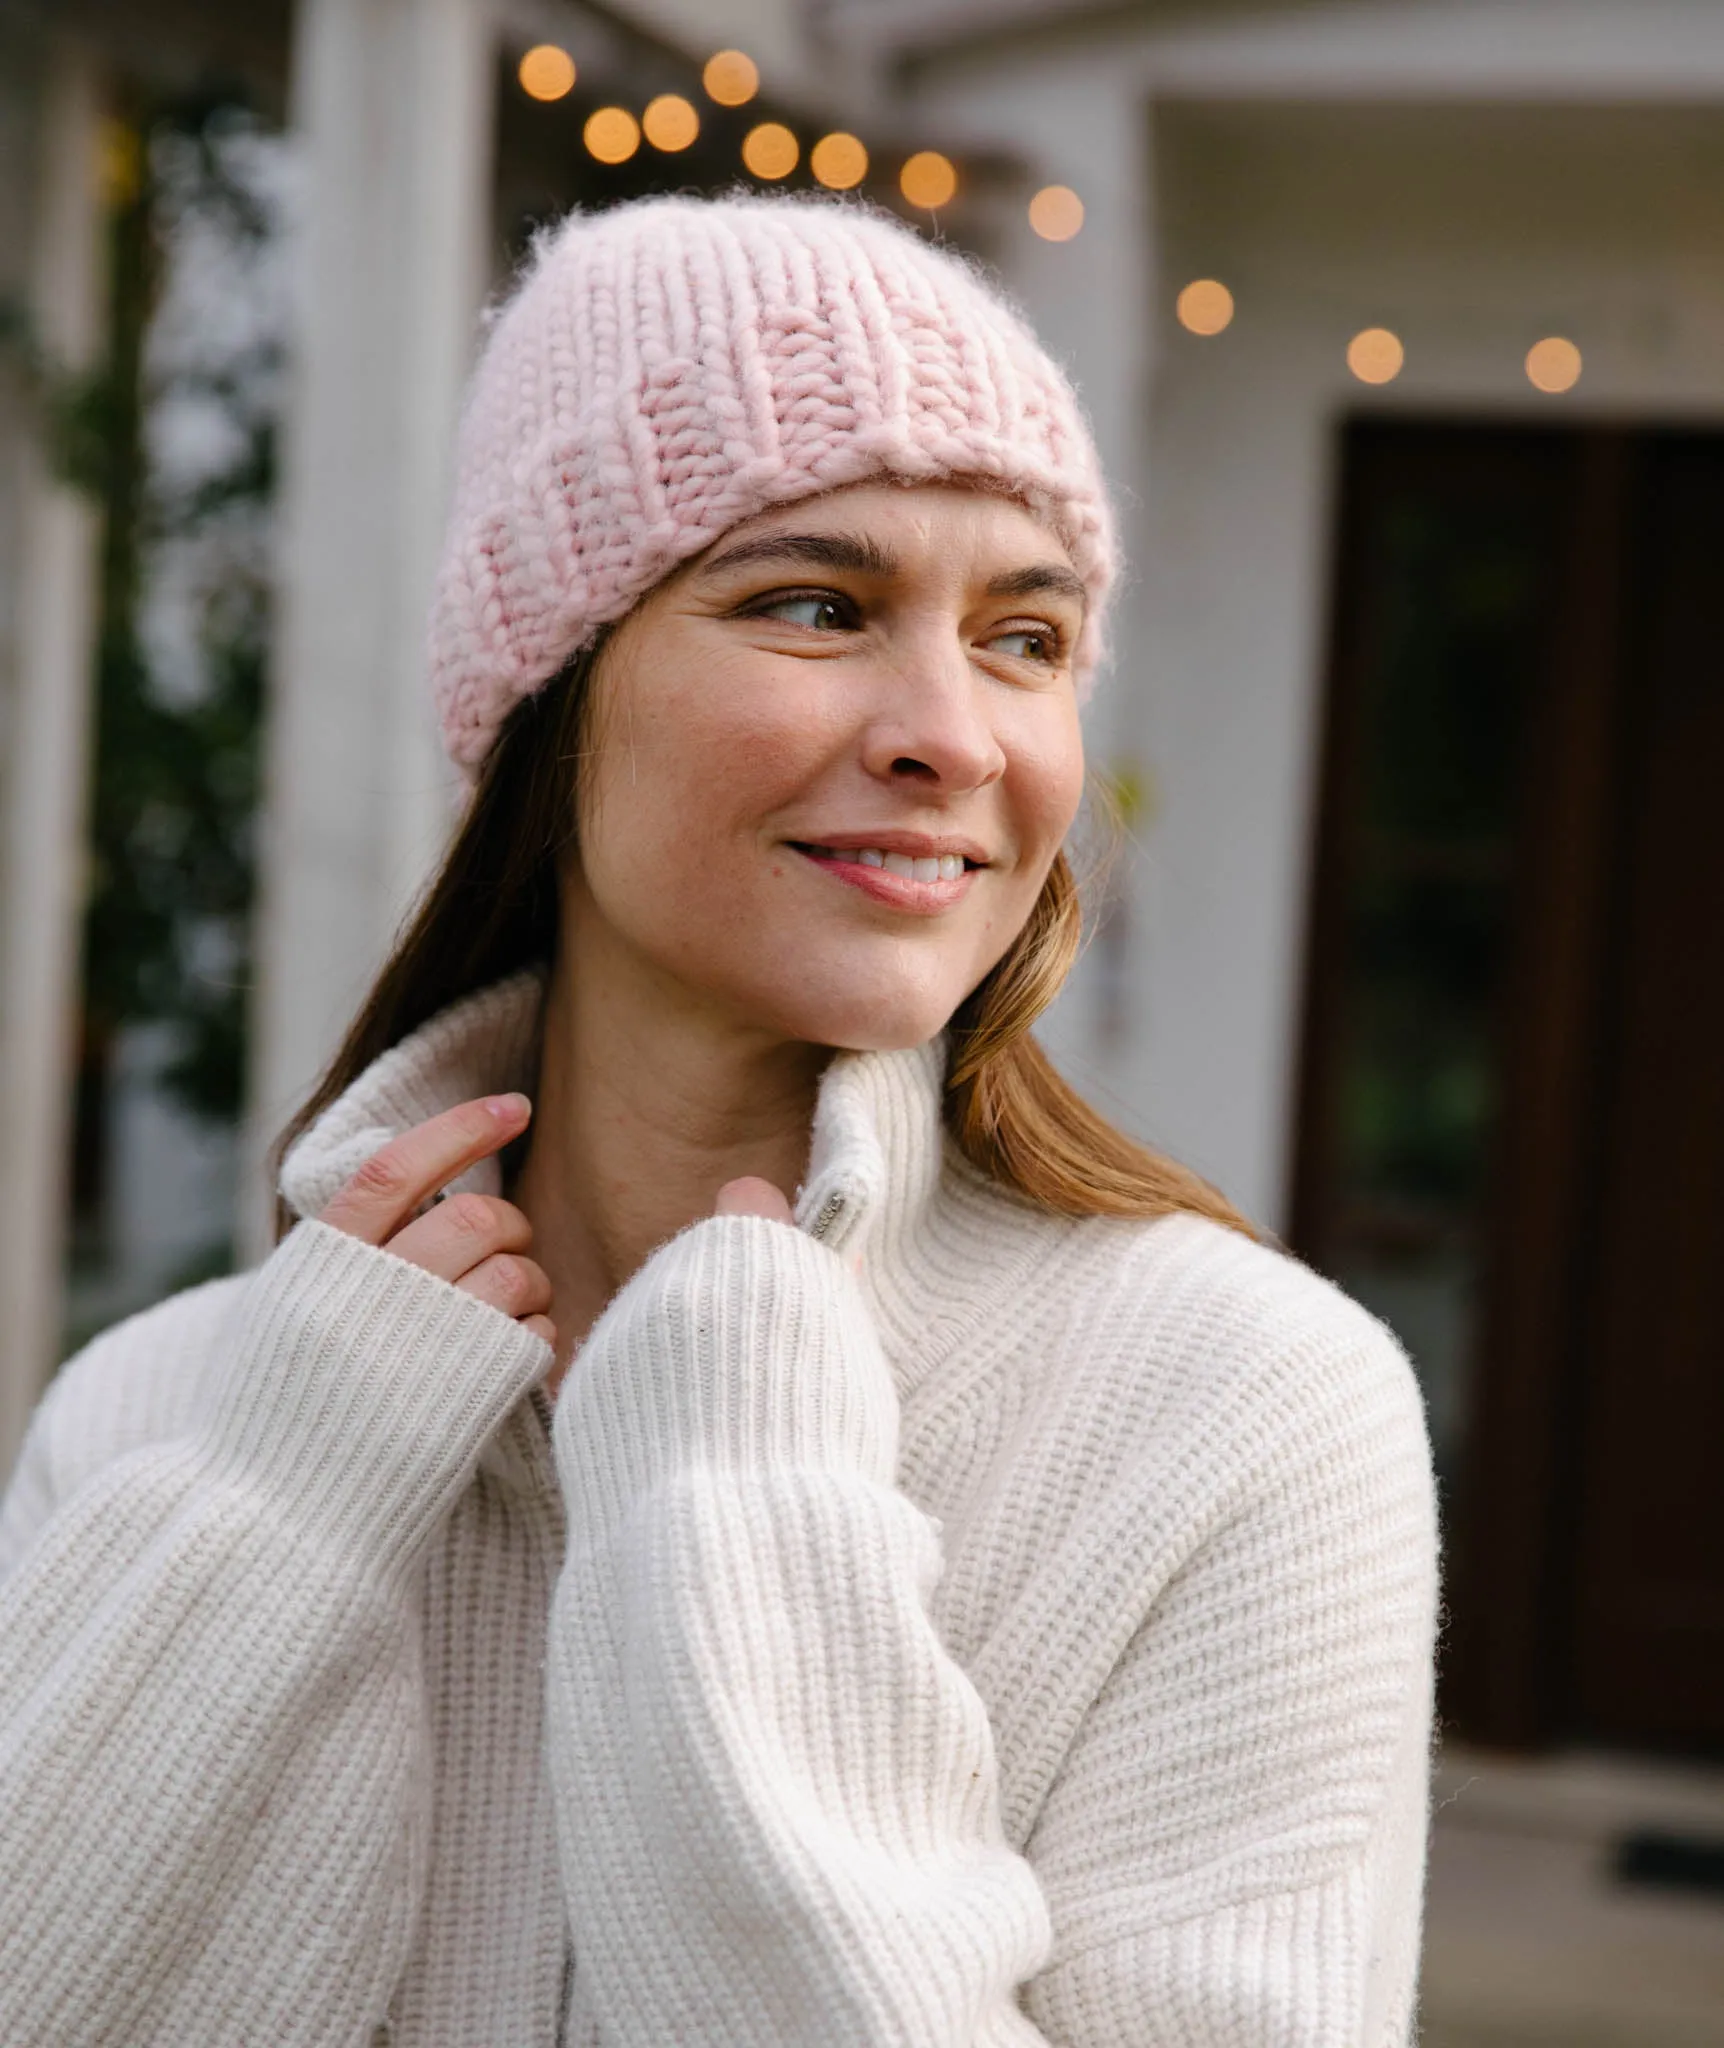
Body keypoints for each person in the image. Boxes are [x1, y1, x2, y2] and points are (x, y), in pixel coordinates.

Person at [0, 196, 1438, 2047]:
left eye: (1025, 637)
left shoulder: (1246, 1414)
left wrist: (738, 1497)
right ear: (555, 690)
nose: (958, 735)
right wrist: (281, 1520)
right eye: (816, 605)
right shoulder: (163, 1414)